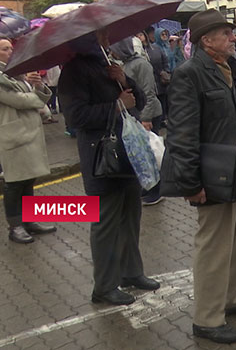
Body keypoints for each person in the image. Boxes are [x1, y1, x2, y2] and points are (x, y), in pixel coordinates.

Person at [161, 9, 236, 344]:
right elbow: (182, 133)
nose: (233, 39)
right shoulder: (190, 74)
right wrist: (190, 182)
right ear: (207, 40)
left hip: (234, 168)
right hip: (212, 174)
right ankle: (206, 318)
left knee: (233, 242)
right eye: (226, 34)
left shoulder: (228, 68)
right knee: (213, 247)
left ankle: (230, 299)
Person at [59, 31, 159, 306]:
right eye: (101, 34)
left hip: (127, 154)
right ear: (87, 38)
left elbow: (135, 99)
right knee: (105, 224)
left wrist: (124, 81)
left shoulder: (108, 63)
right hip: (101, 158)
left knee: (131, 216)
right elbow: (75, 117)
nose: (107, 37)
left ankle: (131, 273)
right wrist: (115, 106)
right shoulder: (74, 71)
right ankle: (104, 286)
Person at [0, 37, 57, 244]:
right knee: (14, 182)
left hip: (28, 134)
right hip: (13, 135)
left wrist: (37, 84)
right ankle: (15, 226)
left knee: (28, 179)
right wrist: (34, 96)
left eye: (10, 48)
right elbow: (19, 101)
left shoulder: (15, 74)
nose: (10, 51)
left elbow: (38, 99)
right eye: (5, 49)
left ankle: (29, 220)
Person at [108, 38, 164, 206]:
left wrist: (146, 118)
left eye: (115, 48)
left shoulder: (141, 64)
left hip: (147, 113)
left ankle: (156, 190)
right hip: (135, 115)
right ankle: (147, 188)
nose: (112, 52)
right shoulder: (123, 65)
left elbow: (148, 92)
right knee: (141, 153)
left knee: (151, 153)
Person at [146, 28, 170, 133]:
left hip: (162, 80)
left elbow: (166, 60)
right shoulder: (144, 50)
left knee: (163, 101)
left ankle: (163, 119)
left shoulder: (157, 48)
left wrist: (165, 71)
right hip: (152, 81)